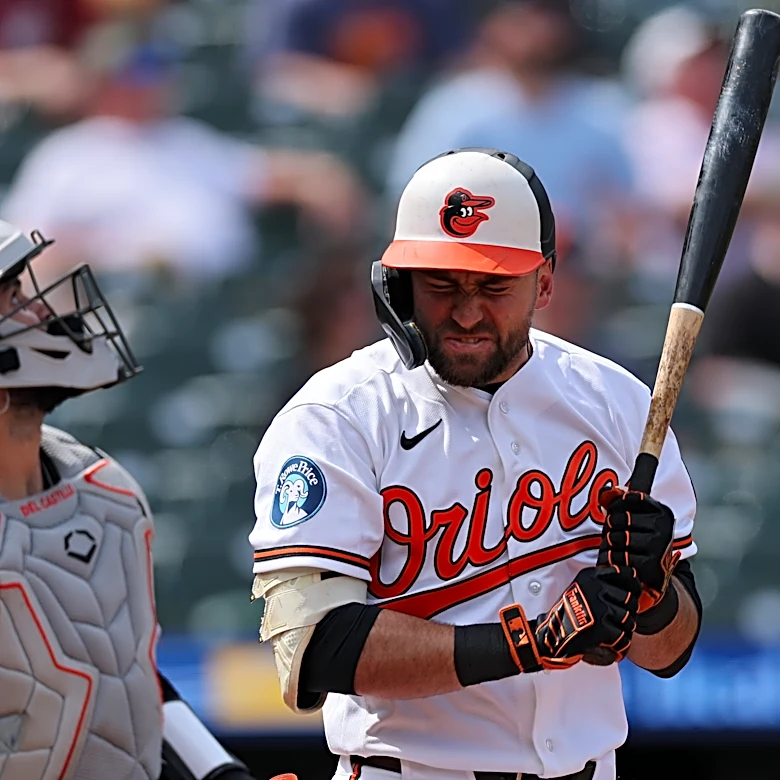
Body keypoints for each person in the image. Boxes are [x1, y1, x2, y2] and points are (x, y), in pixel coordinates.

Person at [249, 148, 702, 780]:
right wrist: (533, 642)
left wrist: (648, 597)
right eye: (441, 285)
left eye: (493, 286)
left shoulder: (617, 403)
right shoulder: (339, 414)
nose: (465, 312)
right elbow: (318, 646)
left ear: (544, 282)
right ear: (398, 284)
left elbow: (670, 651)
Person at [0, 219, 278, 780]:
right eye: (13, 298)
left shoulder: (104, 489)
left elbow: (129, 673)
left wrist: (220, 774)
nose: (40, 312)